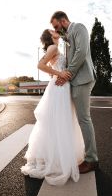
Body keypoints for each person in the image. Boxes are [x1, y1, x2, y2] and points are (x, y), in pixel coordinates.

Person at [21, 29, 85, 186]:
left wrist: (56, 73)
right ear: (49, 36)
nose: (55, 30)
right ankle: (57, 158)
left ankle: (57, 155)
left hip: (60, 86)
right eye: (52, 30)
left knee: (58, 121)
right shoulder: (53, 47)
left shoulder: (57, 48)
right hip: (59, 88)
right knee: (60, 121)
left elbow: (50, 67)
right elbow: (40, 65)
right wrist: (60, 73)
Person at [50, 11, 98, 174]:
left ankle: (92, 160)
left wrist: (67, 74)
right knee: (81, 119)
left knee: (84, 119)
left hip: (82, 78)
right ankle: (87, 155)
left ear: (63, 20)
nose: (56, 30)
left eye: (57, 26)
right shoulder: (67, 37)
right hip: (76, 80)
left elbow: (81, 52)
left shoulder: (79, 27)